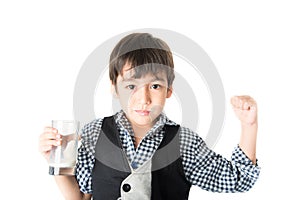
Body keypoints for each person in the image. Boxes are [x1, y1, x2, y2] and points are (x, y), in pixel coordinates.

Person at [39, 33, 260, 200]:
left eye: (154, 85)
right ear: (114, 87)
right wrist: (57, 162)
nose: (143, 98)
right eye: (131, 86)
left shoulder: (184, 143)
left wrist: (249, 126)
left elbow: (238, 180)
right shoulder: (93, 134)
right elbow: (82, 197)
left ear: (169, 90)